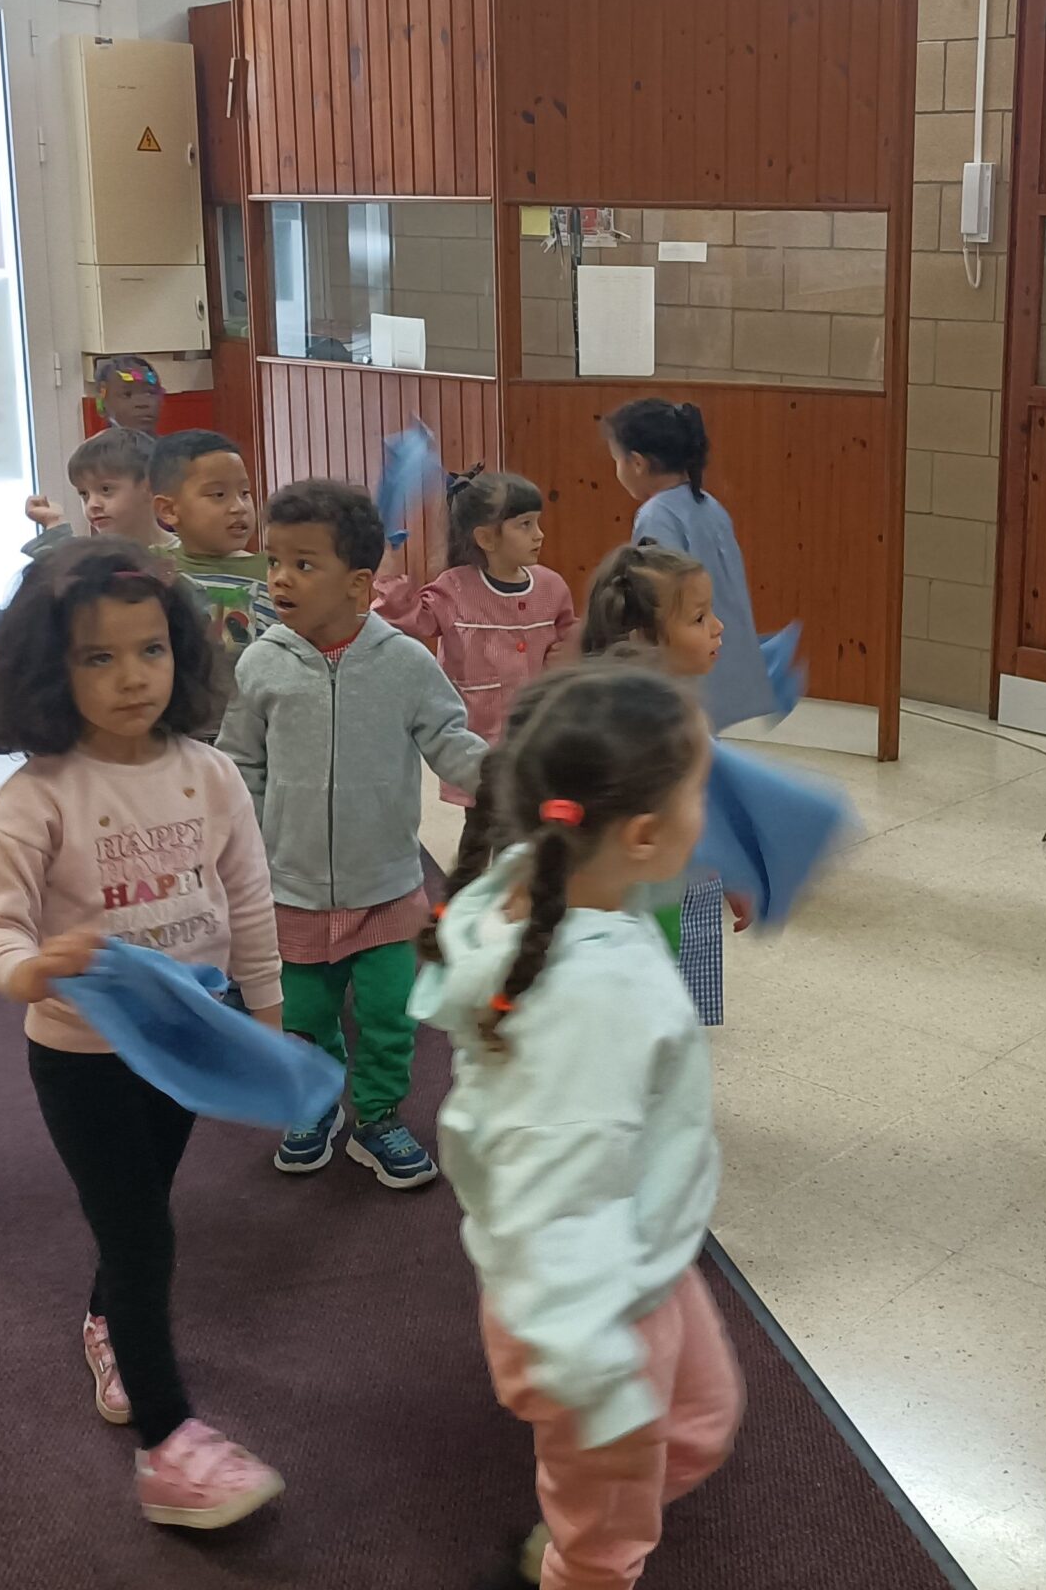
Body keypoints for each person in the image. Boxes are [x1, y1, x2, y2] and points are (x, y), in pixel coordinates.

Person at [0, 539, 285, 1530]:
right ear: (47, 672)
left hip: (185, 1039)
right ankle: (169, 1445)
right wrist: (32, 968)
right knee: (143, 1235)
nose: (132, 677)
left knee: (140, 1207)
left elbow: (246, 893)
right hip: (83, 1057)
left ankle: (106, 1321)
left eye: (150, 650)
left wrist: (266, 1014)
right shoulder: (35, 798)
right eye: (97, 658)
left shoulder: (210, 773)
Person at [414, 658, 741, 1590]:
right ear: (641, 835)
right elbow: (557, 1193)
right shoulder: (595, 998)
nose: (708, 812)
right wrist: (598, 1382)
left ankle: (585, 1528)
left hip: (638, 1251)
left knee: (700, 1427)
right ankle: (578, 1564)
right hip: (590, 1304)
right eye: (699, 793)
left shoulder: (544, 887)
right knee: (610, 1528)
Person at [219, 479, 489, 1186]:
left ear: (359, 583)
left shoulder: (405, 662)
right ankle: (315, 1106)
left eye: (304, 564)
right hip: (292, 887)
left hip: (387, 885)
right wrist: (244, 853)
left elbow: (450, 738)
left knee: (390, 1016)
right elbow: (240, 765)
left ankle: (377, 1116)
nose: (280, 578)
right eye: (275, 560)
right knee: (304, 1018)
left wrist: (509, 777)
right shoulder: (261, 662)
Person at [576, 541, 743, 1025]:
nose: (718, 627)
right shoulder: (609, 724)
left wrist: (730, 873)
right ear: (645, 637)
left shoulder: (685, 713)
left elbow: (708, 806)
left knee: (668, 1009)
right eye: (699, 618)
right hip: (623, 915)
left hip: (676, 896)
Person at [378, 468, 577, 860]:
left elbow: (570, 635)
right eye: (524, 524)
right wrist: (387, 570)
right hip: (477, 742)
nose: (539, 535)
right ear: (485, 538)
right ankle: (474, 889)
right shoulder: (454, 589)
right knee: (484, 825)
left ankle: (505, 888)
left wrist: (570, 653)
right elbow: (407, 618)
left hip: (535, 737)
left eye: (537, 523)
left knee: (521, 827)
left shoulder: (551, 587)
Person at [602, 399, 778, 732]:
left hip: (690, 671)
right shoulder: (709, 506)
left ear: (636, 462)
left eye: (616, 460)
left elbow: (663, 600)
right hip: (720, 660)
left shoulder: (657, 516)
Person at [149, 428, 270, 735]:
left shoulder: (275, 571)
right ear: (169, 510)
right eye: (218, 495)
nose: (238, 507)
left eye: (245, 493)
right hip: (177, 734)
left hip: (255, 734)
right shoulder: (154, 569)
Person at [21, 426, 168, 558]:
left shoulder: (180, 557)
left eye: (106, 489)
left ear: (149, 487)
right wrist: (53, 522)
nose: (92, 504)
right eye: (84, 494)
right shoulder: (95, 561)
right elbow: (67, 570)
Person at [93, 354, 164, 433]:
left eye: (150, 393)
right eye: (127, 394)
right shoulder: (104, 441)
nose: (142, 403)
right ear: (103, 401)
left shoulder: (171, 441)